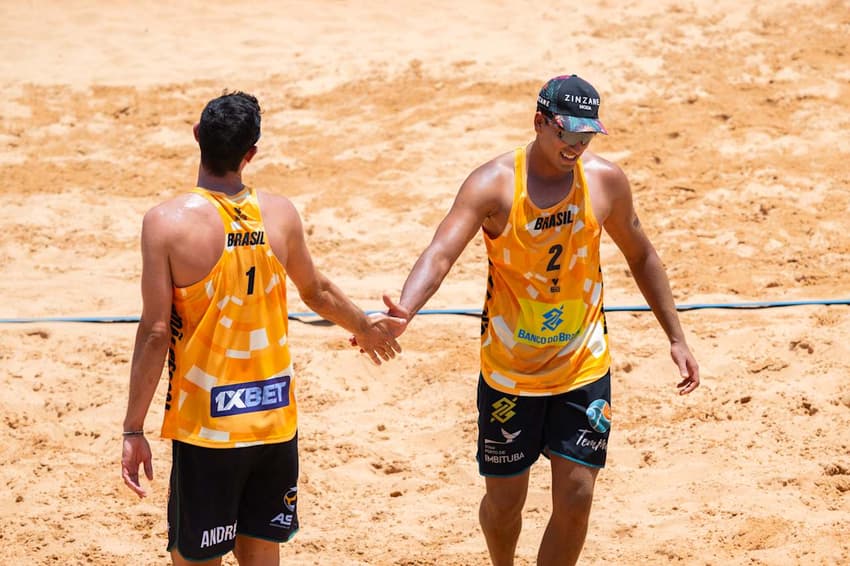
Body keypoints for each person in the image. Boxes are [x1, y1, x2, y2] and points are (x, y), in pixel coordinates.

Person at [381, 74, 700, 565]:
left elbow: (642, 253)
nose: (575, 145)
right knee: (506, 504)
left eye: (586, 135)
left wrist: (675, 336)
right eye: (566, 134)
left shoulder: (604, 181)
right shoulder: (493, 183)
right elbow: (441, 252)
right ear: (539, 123)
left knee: (576, 497)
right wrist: (406, 309)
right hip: (511, 369)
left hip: (582, 362)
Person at [120, 91, 405, 566]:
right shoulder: (280, 214)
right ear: (250, 154)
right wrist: (367, 328)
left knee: (195, 558)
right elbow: (317, 292)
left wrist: (133, 428)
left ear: (197, 137)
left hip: (209, 426)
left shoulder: (165, 224)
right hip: (274, 418)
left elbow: (154, 332)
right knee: (262, 553)